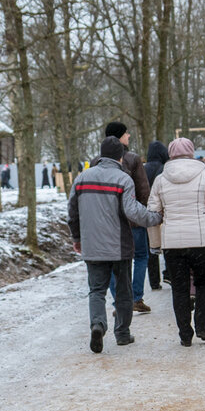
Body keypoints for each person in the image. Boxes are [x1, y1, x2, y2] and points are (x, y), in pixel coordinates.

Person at [69, 137, 162, 352]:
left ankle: (97, 325)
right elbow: (133, 212)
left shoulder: (82, 178)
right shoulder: (123, 179)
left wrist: (77, 238)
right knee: (123, 291)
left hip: (92, 245)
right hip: (119, 245)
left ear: (101, 155)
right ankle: (122, 333)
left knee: (97, 290)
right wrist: (155, 218)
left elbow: (72, 212)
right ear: (121, 156)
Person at [149, 137, 205, 346]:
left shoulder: (161, 179)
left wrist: (155, 243)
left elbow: (152, 214)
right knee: (204, 284)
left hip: (173, 244)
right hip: (202, 241)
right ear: (192, 152)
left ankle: (185, 334)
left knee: (179, 288)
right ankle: (203, 328)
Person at [92, 121, 151, 313]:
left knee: (110, 261)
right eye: (126, 133)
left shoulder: (95, 162)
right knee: (141, 256)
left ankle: (119, 299)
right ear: (119, 137)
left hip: (106, 222)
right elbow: (143, 190)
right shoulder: (133, 159)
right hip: (133, 221)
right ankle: (135, 297)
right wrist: (145, 215)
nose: (129, 136)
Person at [144, 140, 169, 290]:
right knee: (167, 243)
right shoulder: (165, 169)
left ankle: (154, 281)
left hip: (147, 212)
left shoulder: (143, 169)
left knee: (151, 247)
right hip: (163, 210)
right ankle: (169, 274)